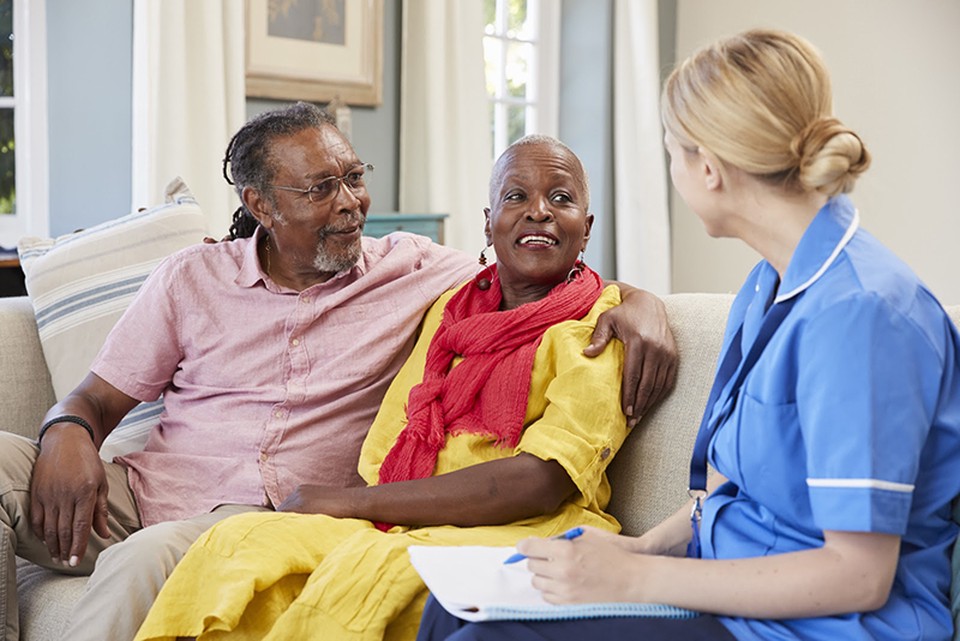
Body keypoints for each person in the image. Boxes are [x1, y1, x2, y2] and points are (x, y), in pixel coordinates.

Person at [0, 104, 675, 641]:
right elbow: (93, 398)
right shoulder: (192, 277)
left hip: (256, 516)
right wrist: (67, 430)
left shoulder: (413, 269)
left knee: (142, 558)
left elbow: (538, 265)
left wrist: (643, 303)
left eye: (354, 177)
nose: (351, 201)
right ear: (260, 204)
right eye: (322, 188)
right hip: (144, 491)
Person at [416, 29, 960, 641]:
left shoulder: (861, 317)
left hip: (817, 626)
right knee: (453, 609)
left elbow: (858, 577)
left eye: (671, 151)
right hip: (725, 589)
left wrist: (635, 580)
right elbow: (732, 485)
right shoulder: (767, 285)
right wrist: (640, 549)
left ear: (708, 167)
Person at [132, 134, 633, 640]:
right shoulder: (452, 307)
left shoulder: (600, 328)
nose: (538, 212)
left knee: (360, 579)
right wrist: (366, 507)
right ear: (487, 222)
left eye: (561, 199)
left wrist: (349, 503)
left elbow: (543, 481)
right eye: (515, 197)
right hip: (402, 514)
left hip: (519, 528)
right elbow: (387, 445)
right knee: (237, 544)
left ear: (586, 230)